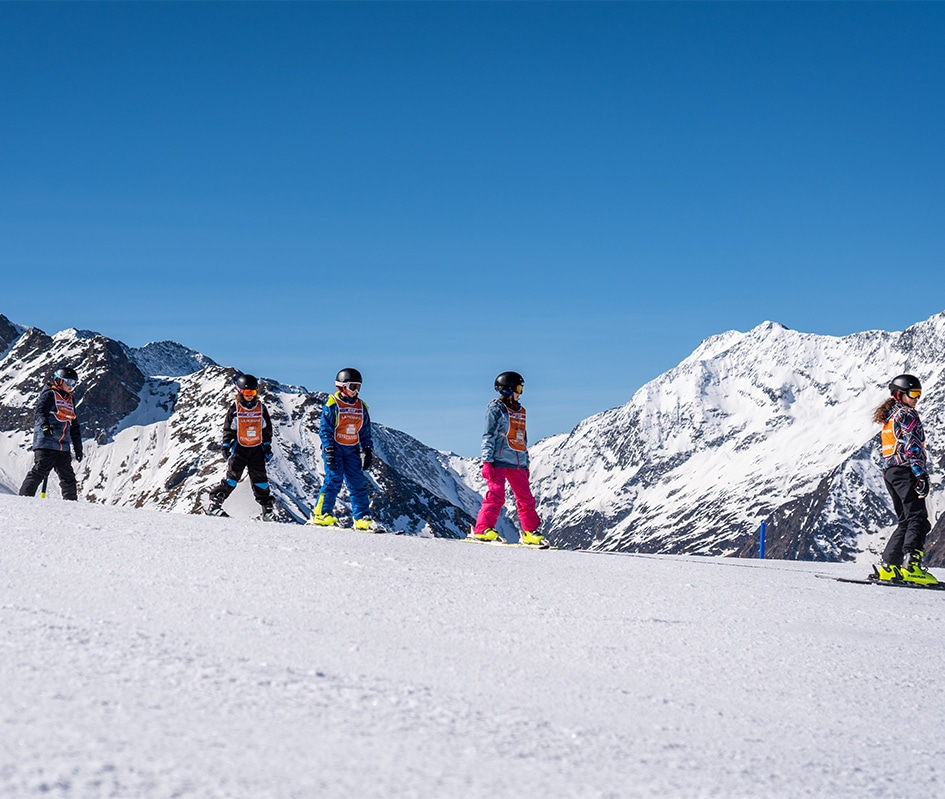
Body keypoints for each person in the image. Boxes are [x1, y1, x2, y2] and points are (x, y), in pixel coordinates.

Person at [872, 374, 936, 585]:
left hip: (890, 472)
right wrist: (920, 474)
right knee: (918, 517)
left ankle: (890, 567)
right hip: (905, 470)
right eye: (913, 394)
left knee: (905, 520)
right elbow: (913, 447)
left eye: (919, 394)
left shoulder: (890, 416)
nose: (917, 398)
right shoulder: (908, 414)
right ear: (900, 394)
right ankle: (912, 566)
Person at [471, 371, 544, 547]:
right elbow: (488, 435)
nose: (520, 393)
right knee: (496, 496)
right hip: (498, 460)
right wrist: (487, 461)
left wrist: (525, 463)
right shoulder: (496, 409)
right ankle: (482, 529)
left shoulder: (521, 411)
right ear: (507, 390)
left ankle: (529, 532)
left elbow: (522, 439)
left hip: (517, 462)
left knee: (526, 498)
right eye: (518, 388)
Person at [309, 368, 376, 530]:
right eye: (353, 386)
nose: (356, 391)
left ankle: (362, 517)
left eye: (358, 387)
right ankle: (321, 514)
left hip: (352, 448)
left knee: (357, 483)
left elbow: (365, 430)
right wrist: (329, 450)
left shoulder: (361, 407)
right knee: (334, 479)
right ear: (341, 386)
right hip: (336, 448)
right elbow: (325, 430)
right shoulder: (333, 405)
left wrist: (367, 450)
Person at [207, 374, 276, 521]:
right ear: (239, 392)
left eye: (253, 393)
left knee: (260, 480)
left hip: (257, 448)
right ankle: (215, 504)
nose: (250, 396)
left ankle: (267, 510)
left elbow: (267, 429)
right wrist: (226, 446)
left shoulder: (261, 408)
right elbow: (228, 429)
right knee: (232, 478)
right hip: (240, 448)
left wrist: (267, 446)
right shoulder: (235, 409)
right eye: (247, 393)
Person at [19, 366, 84, 501]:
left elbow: (74, 426)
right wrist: (44, 425)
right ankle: (23, 500)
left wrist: (78, 448)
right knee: (39, 471)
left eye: (74, 383)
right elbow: (40, 411)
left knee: (68, 477)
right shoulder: (50, 394)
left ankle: (72, 505)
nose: (72, 386)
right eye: (69, 382)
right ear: (59, 381)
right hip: (46, 442)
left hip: (62, 445)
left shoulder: (70, 400)